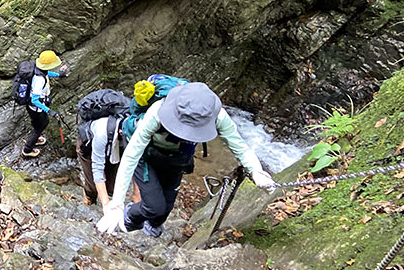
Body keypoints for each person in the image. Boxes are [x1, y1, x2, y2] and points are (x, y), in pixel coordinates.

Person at [97, 82, 276, 237]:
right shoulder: (158, 111)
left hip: (176, 160)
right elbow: (131, 155)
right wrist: (117, 203)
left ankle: (150, 228)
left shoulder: (218, 116)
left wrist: (256, 171)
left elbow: (240, 146)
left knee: (164, 211)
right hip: (147, 157)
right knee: (154, 206)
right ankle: (128, 220)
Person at [77, 116, 140, 208]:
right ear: (121, 133)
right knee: (93, 187)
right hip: (88, 147)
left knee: (112, 188)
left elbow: (137, 162)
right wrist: (106, 205)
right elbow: (97, 169)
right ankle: (89, 199)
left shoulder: (135, 128)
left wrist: (136, 192)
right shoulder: (101, 133)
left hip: (114, 146)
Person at [22, 50, 67, 157]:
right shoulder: (39, 80)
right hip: (36, 108)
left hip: (33, 107)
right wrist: (49, 111)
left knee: (38, 124)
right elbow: (34, 100)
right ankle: (27, 150)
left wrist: (58, 75)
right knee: (41, 126)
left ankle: (35, 139)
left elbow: (47, 74)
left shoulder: (38, 69)